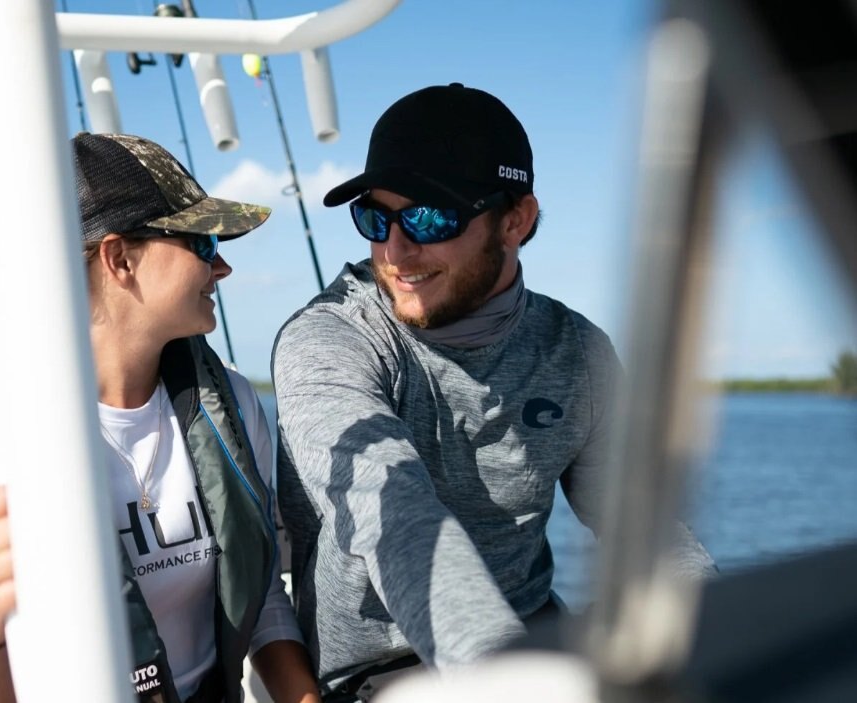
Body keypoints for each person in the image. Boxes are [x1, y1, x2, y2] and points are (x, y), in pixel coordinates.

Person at [0, 132, 320, 703]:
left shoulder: (231, 404)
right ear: (119, 259)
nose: (223, 266)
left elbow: (263, 598)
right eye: (203, 243)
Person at [272, 83, 717, 700]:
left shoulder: (578, 351)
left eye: (430, 217)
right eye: (375, 217)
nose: (395, 250)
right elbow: (391, 510)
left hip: (536, 636)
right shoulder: (330, 340)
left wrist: (716, 636)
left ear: (515, 220)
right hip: (383, 671)